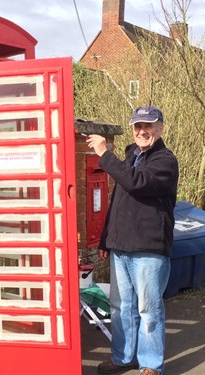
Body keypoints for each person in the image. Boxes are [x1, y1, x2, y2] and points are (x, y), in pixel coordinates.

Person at [86, 106, 179, 375]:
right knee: (121, 307)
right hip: (121, 246)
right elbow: (118, 202)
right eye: (138, 126)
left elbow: (137, 183)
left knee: (148, 309)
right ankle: (123, 358)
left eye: (148, 126)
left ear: (160, 129)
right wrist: (106, 239)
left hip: (149, 248)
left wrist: (105, 154)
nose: (142, 131)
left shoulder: (165, 161)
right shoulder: (131, 156)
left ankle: (151, 364)